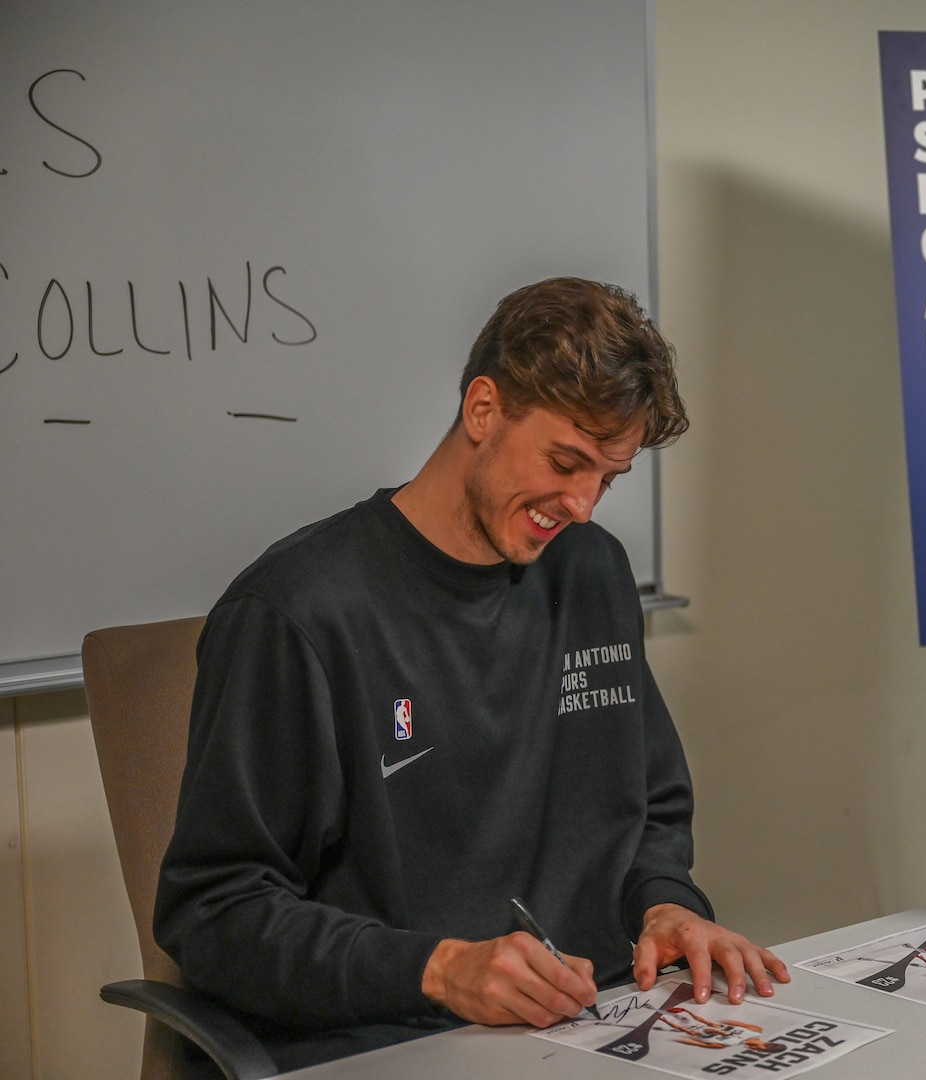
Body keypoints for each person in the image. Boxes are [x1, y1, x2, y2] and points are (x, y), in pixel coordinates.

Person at [154, 278, 789, 1071]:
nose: (584, 505)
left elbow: (648, 807)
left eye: (608, 477)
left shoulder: (591, 571)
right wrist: (440, 970)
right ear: (483, 409)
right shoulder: (299, 613)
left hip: (597, 1024)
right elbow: (215, 914)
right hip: (393, 1040)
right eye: (566, 462)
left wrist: (666, 906)